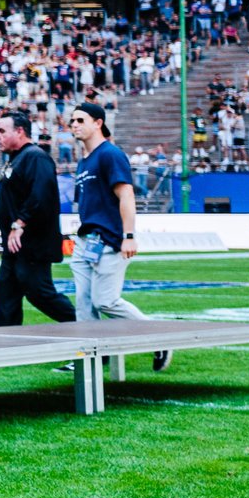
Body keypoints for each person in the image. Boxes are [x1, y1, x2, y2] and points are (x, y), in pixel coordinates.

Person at [67, 100, 159, 361]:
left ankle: (158, 338)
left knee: (105, 301)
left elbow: (126, 195)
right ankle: (89, 358)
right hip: (86, 241)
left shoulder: (110, 154)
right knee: (84, 305)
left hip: (109, 241)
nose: (74, 125)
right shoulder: (84, 161)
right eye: (72, 121)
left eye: (80, 120)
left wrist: (128, 236)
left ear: (98, 123)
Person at [0, 111, 75, 324]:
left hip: (32, 245)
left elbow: (41, 195)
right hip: (14, 247)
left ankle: (86, 329)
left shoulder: (35, 157)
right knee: (5, 297)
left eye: (2, 131)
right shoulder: (16, 159)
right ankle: (8, 351)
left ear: (19, 131)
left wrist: (19, 223)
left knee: (40, 294)